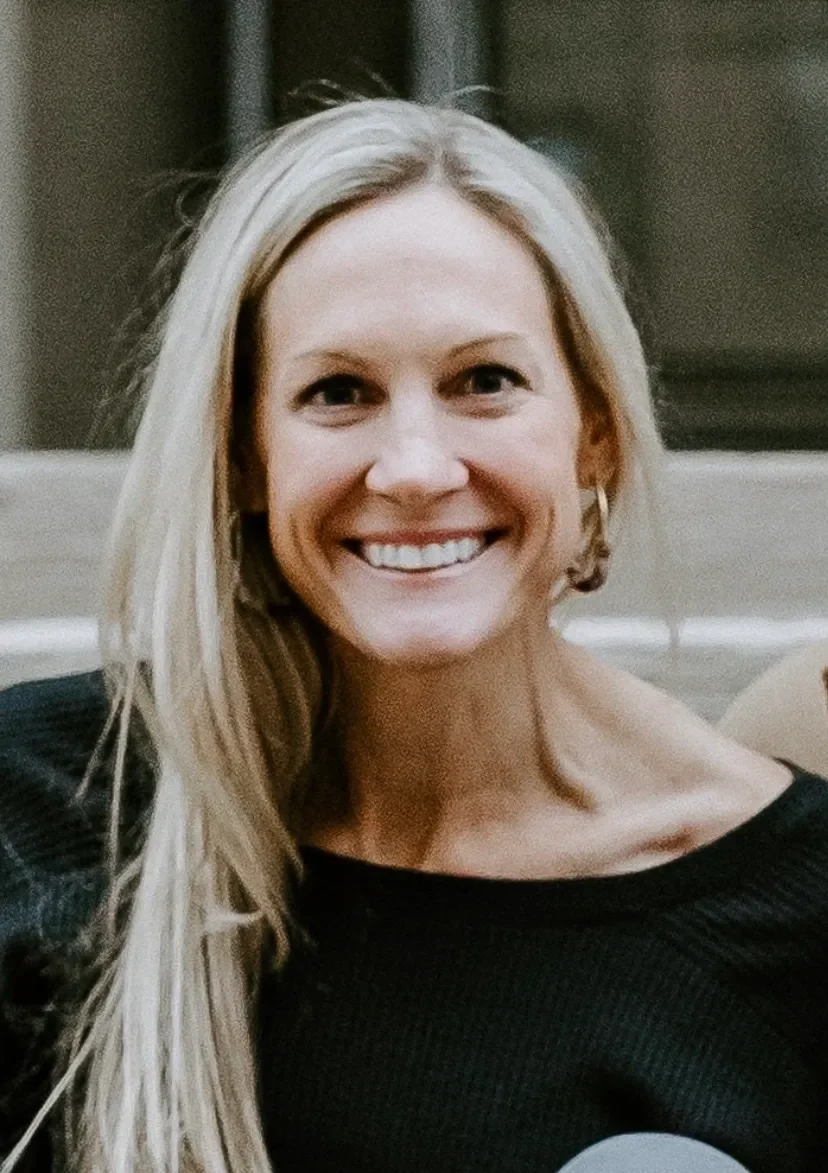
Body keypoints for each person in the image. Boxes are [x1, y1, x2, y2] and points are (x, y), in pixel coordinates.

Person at [1, 97, 827, 1173]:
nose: (417, 468)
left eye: (485, 381)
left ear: (595, 435)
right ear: (244, 456)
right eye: (337, 393)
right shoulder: (51, 808)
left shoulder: (790, 909)